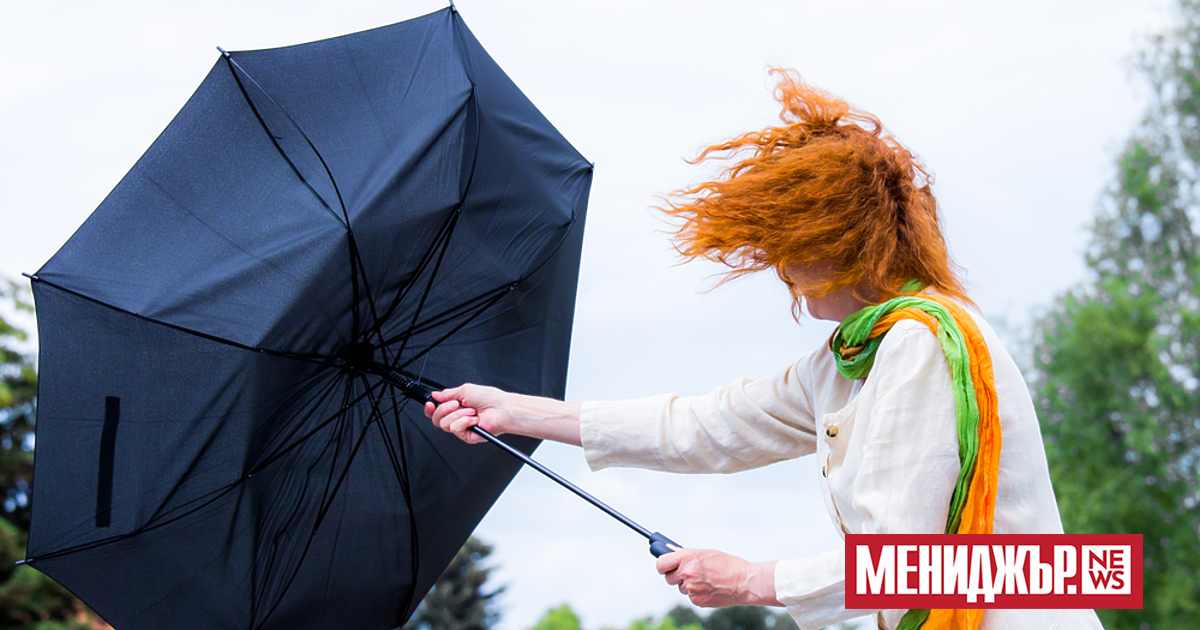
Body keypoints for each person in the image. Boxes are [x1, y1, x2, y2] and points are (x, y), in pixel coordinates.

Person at [424, 70, 1103, 630]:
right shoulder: (851, 358)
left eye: (787, 249)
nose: (779, 269)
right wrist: (516, 412)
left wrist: (751, 578)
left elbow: (908, 567)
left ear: (835, 244)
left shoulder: (922, 344)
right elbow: (703, 426)